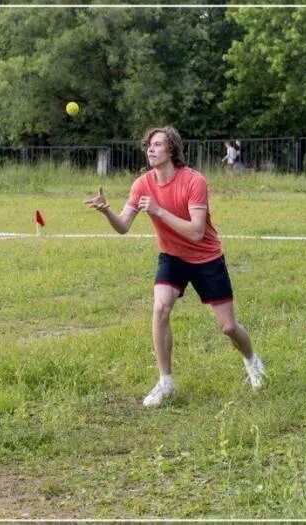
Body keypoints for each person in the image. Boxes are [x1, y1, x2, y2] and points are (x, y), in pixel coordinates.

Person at [85, 126, 265, 408]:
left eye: (158, 145)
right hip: (172, 257)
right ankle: (165, 381)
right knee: (160, 308)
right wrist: (107, 210)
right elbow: (123, 227)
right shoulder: (142, 184)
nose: (151, 149)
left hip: (206, 258)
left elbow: (195, 232)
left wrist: (158, 210)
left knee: (228, 327)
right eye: (149, 145)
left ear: (172, 150)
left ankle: (252, 361)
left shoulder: (194, 181)